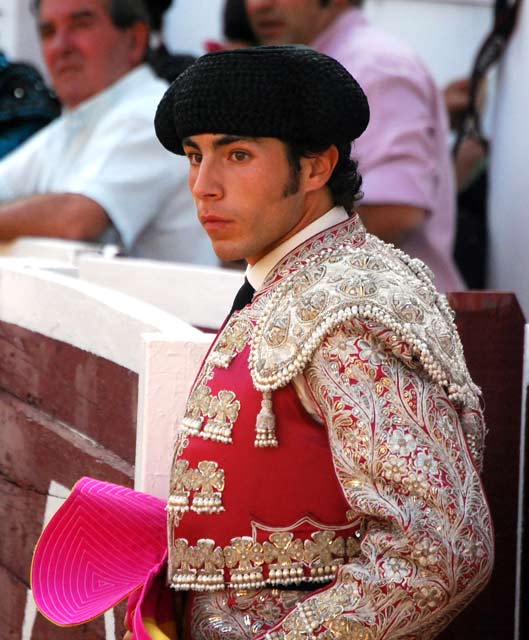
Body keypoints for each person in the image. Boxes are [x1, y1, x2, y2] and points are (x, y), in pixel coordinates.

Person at [32, 47, 493, 639]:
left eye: (238, 155)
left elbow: (439, 553)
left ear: (316, 167)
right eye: (195, 156)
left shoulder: (350, 309)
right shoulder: (289, 281)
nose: (204, 186)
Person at [245, 0, 464, 292]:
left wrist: (270, 247)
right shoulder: (335, 63)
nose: (259, 5)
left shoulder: (374, 65)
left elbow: (396, 212)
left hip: (393, 317)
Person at [0, 0, 215, 265]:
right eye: (48, 32)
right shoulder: (71, 125)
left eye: (81, 25)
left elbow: (75, 221)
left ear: (135, 39)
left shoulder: (151, 115)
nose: (60, 47)